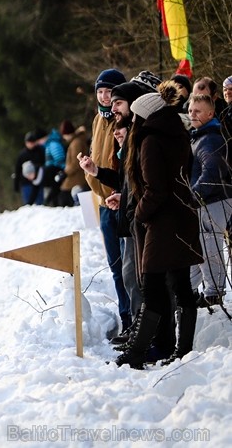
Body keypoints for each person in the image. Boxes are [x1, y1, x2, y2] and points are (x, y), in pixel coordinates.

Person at [115, 82, 203, 369]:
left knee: (152, 284)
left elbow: (155, 189)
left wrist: (139, 214)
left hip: (162, 222)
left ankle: (138, 353)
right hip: (183, 217)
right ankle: (183, 351)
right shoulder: (178, 134)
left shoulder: (150, 140)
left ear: (142, 116)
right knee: (180, 286)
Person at [84, 68, 132, 335]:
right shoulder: (97, 120)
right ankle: (126, 319)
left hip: (121, 200)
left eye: (109, 92)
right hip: (102, 202)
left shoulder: (122, 119)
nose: (103, 97)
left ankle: (135, 319)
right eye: (100, 92)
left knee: (128, 268)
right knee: (115, 267)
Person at [187, 93, 232, 308]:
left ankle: (214, 293)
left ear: (210, 113)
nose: (192, 114)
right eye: (190, 111)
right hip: (205, 201)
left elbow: (211, 173)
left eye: (197, 111)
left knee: (209, 246)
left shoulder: (211, 138)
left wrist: (192, 197)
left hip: (214, 201)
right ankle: (191, 288)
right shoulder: (198, 136)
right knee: (199, 246)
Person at [57, 120, 89, 206]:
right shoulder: (76, 141)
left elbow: (75, 163)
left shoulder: (76, 143)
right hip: (77, 175)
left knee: (63, 196)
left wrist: (65, 172)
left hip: (77, 176)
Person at [13, 131, 45, 205]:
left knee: (39, 203)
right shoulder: (22, 154)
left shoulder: (40, 151)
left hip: (38, 180)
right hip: (25, 183)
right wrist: (16, 184)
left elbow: (43, 165)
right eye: (29, 142)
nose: (30, 144)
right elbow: (17, 169)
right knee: (28, 204)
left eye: (32, 142)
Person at [40, 128, 66, 206]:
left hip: (56, 171)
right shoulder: (48, 144)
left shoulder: (53, 144)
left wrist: (57, 169)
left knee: (55, 190)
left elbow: (60, 158)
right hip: (52, 172)